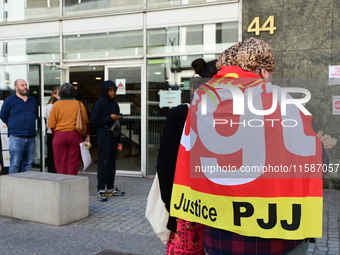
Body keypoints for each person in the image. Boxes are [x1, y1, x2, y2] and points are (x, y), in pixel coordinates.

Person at [170, 38, 326, 255]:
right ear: (263, 71)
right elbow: (320, 164)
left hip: (219, 234)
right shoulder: (280, 102)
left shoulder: (201, 103)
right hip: (277, 234)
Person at [157, 59, 217, 255]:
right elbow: (166, 166)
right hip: (189, 208)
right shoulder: (182, 114)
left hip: (221, 208)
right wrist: (172, 210)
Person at [91, 80, 125, 202]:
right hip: (104, 137)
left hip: (113, 137)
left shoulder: (115, 104)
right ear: (105, 91)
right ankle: (101, 189)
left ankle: (110, 187)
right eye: (110, 90)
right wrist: (108, 118)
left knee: (112, 163)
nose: (112, 93)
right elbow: (93, 121)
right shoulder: (99, 104)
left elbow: (117, 123)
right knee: (103, 163)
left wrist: (119, 140)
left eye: (114, 90)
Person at [48, 83, 90, 175]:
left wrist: (56, 136)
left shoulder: (56, 105)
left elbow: (51, 124)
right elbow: (85, 122)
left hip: (59, 136)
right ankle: (71, 181)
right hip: (75, 135)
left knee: (60, 162)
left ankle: (62, 182)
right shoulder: (79, 104)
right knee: (73, 162)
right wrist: (87, 135)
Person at [0, 79, 38, 174]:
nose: (25, 87)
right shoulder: (9, 100)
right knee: (15, 163)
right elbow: (3, 115)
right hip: (16, 136)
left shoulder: (32, 100)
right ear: (16, 87)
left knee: (28, 163)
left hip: (30, 136)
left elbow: (35, 115)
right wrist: (13, 124)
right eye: (22, 85)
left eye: (26, 85)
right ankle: (13, 187)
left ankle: (26, 185)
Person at [45, 86, 60, 173]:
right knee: (52, 156)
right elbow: (54, 120)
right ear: (54, 95)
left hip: (61, 133)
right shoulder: (50, 106)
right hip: (52, 133)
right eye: (58, 93)